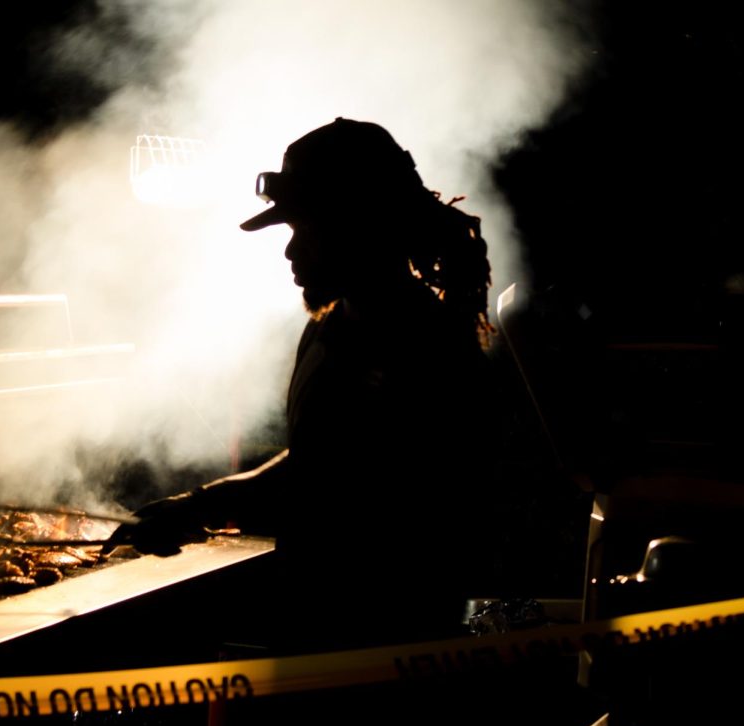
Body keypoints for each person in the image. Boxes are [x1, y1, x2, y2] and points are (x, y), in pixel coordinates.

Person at [107, 117, 497, 652]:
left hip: (381, 640)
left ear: (359, 225)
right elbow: (319, 454)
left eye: (304, 230)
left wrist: (204, 506)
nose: (291, 252)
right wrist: (205, 500)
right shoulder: (336, 324)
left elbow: (349, 485)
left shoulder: (416, 340)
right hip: (325, 621)